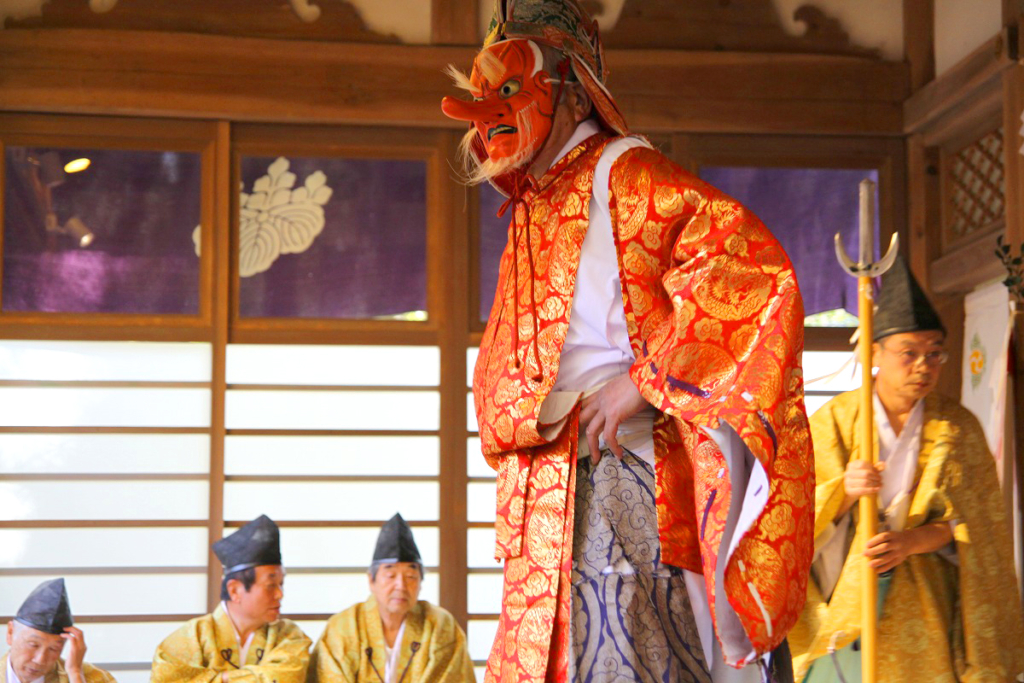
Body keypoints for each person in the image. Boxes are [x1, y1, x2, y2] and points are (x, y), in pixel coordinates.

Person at [441, 1, 814, 681]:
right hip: (546, 497)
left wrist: (645, 381)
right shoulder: (534, 200)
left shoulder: (625, 172)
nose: (487, 112)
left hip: (622, 478)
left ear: (573, 89)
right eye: (479, 94)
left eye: (510, 86)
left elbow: (751, 277)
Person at [790, 257, 1024, 681]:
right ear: (874, 352)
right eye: (909, 353)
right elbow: (790, 515)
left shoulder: (958, 427)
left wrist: (914, 540)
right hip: (843, 595)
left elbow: (979, 527)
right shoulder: (833, 421)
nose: (923, 366)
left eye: (935, 354)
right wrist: (845, 491)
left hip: (925, 600)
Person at [309, 514, 473, 683]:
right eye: (390, 575)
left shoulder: (440, 625)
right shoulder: (343, 627)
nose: (400, 585)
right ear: (371, 581)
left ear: (421, 582)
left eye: (410, 576)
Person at [151, 515, 311, 683]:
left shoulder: (290, 636)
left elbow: (288, 676)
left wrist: (217, 679)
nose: (280, 594)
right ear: (234, 590)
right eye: (271, 585)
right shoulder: (190, 639)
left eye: (281, 583)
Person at [2, 579, 114, 683]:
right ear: (10, 633)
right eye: (33, 645)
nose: (40, 660)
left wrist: (75, 674)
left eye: (53, 649)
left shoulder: (96, 678)